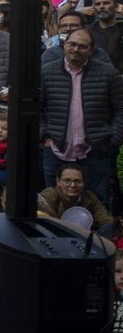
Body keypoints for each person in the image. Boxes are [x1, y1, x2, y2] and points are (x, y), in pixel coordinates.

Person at [39, 28, 123, 207]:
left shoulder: (108, 73)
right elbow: (36, 109)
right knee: (52, 205)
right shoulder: (46, 72)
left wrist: (110, 140)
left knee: (97, 204)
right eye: (72, 44)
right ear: (64, 45)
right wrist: (44, 137)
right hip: (56, 149)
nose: (76, 49)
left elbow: (120, 109)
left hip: (95, 151)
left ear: (92, 50)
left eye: (82, 46)